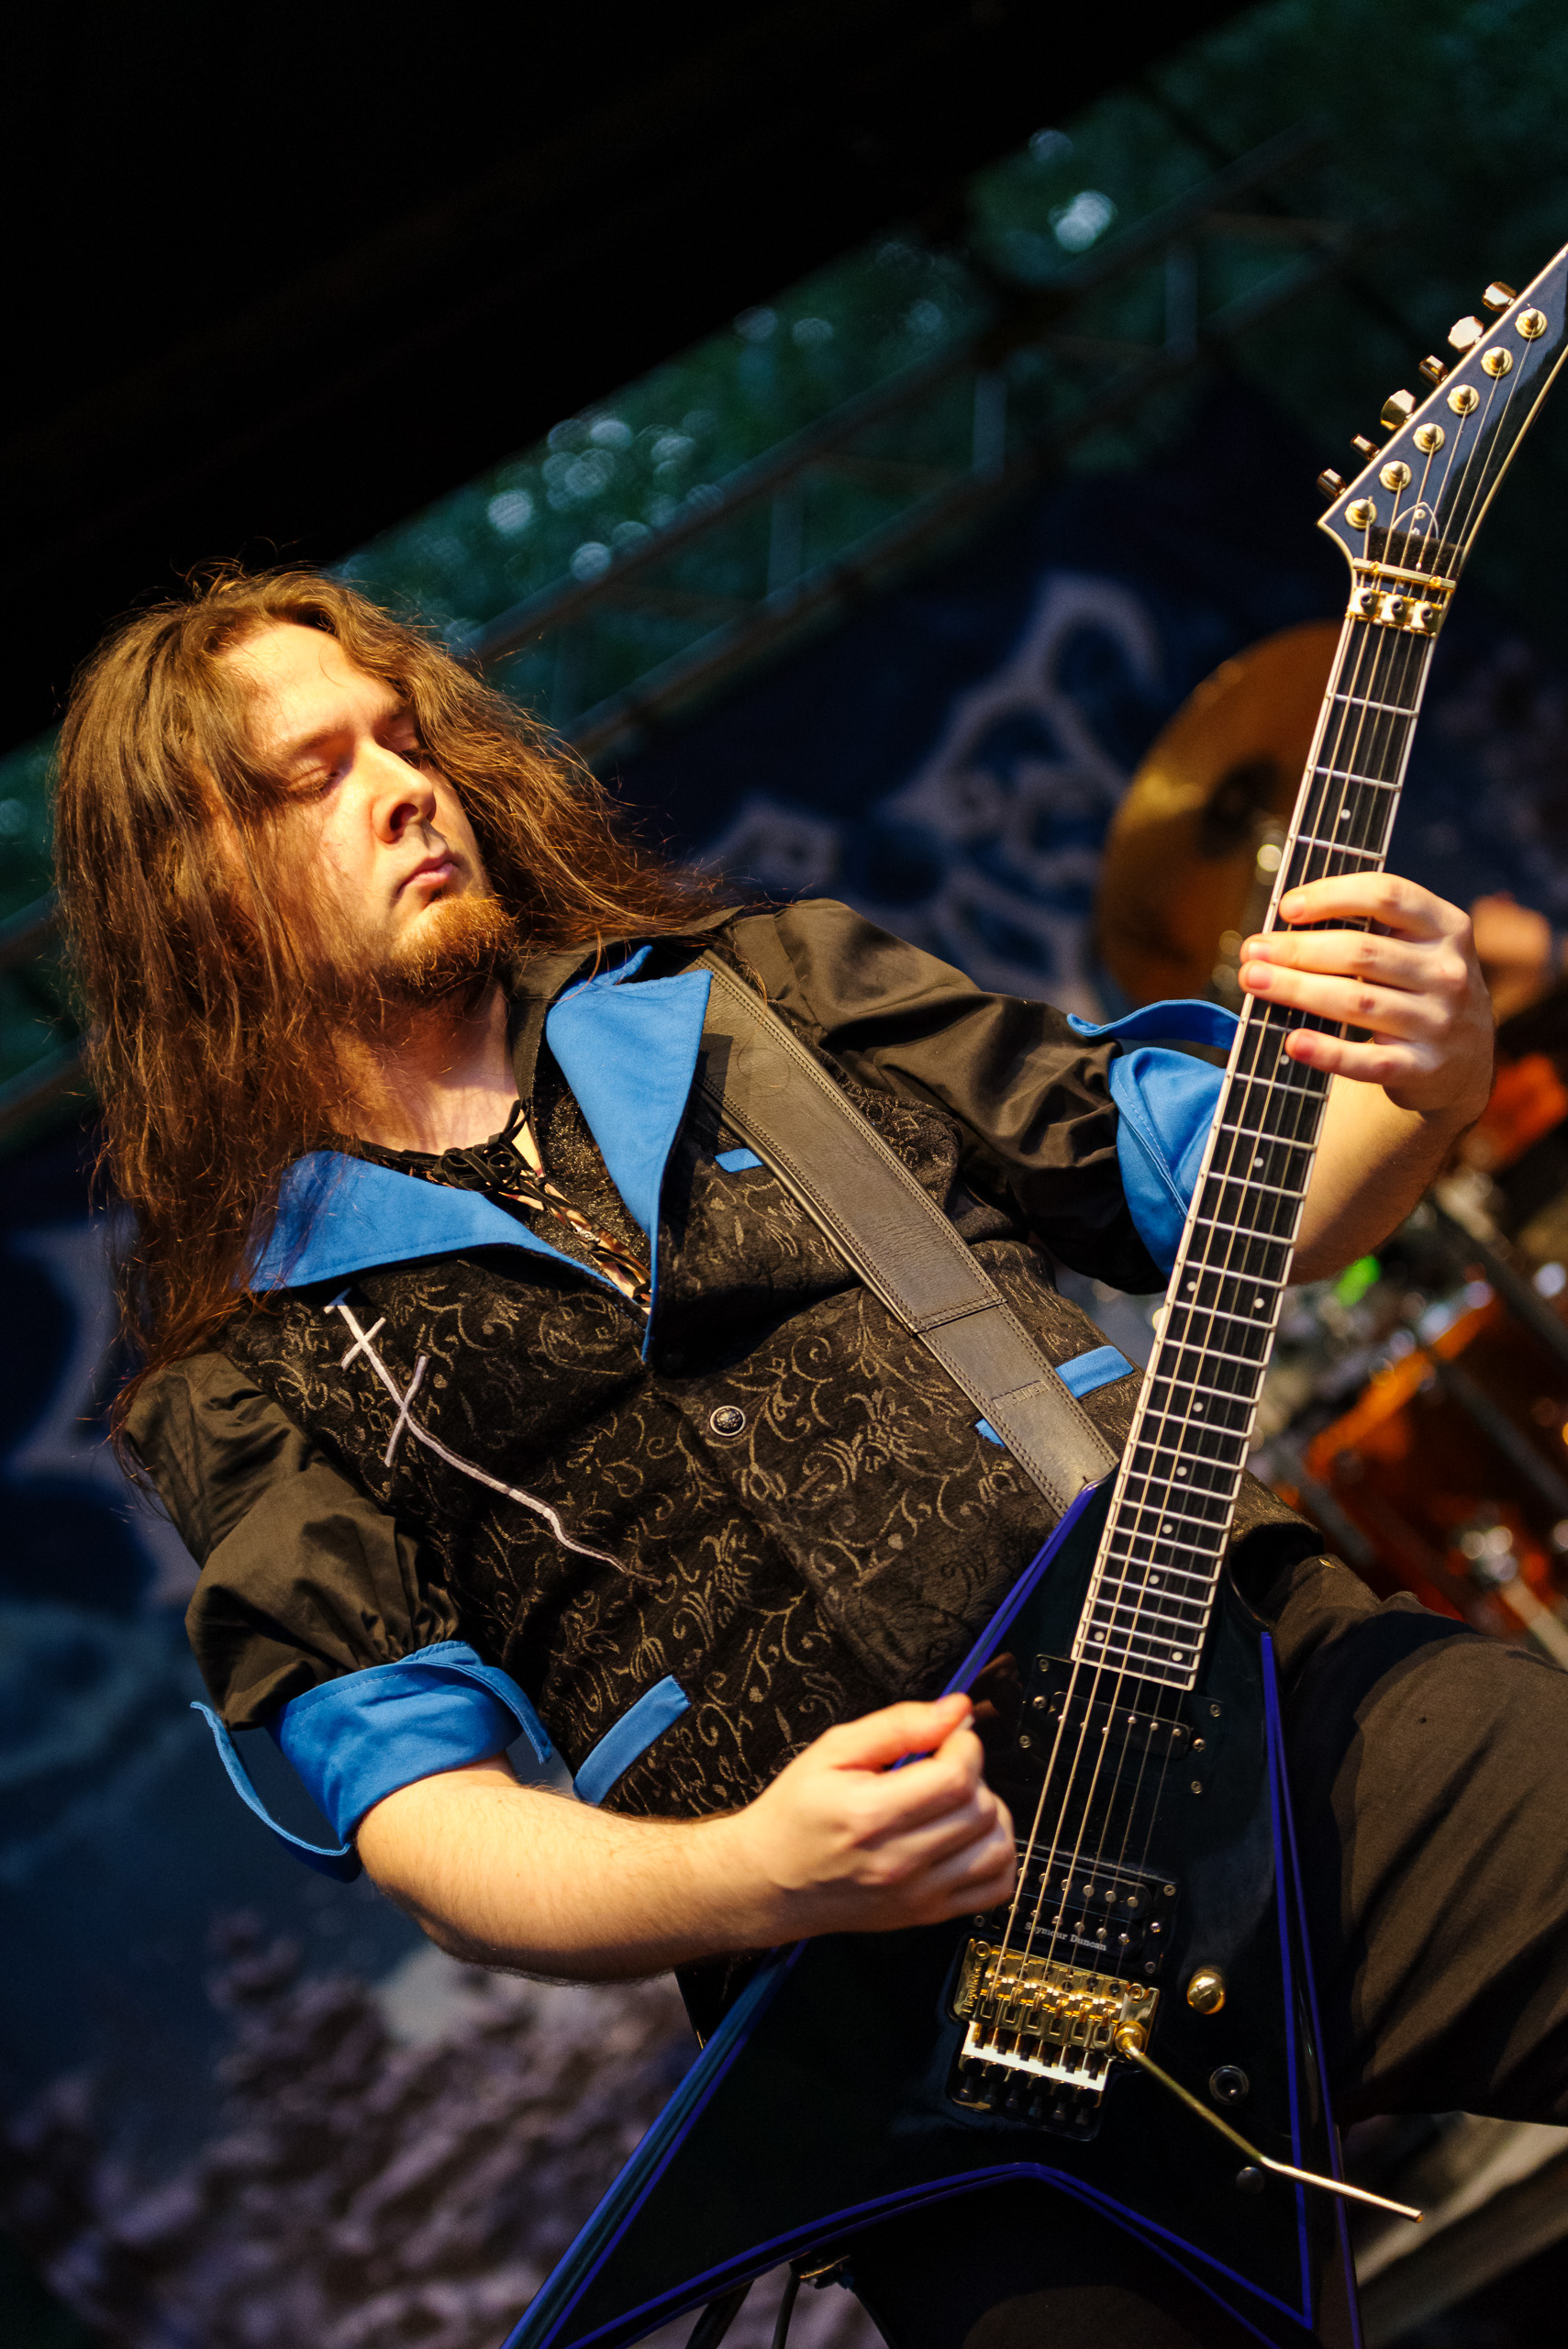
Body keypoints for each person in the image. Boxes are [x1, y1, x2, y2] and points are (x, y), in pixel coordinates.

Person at [57, 569, 1565, 2349]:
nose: (403, 787)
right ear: (191, 887)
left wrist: (1428, 1077)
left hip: (1279, 1718)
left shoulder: (759, 994)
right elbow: (428, 1825)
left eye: (403, 739)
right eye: (311, 778)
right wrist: (759, 1871)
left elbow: (1240, 1191)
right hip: (928, 2041)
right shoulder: (241, 1368)